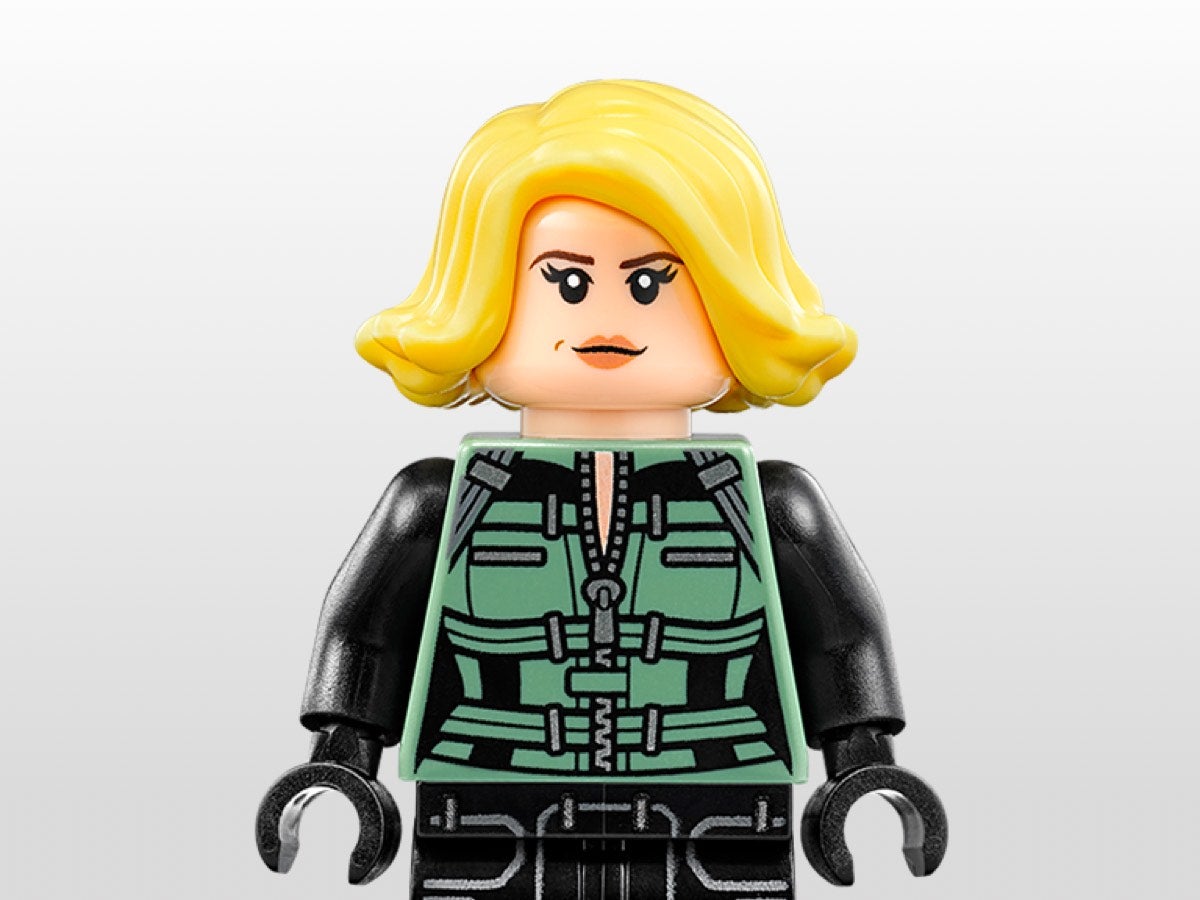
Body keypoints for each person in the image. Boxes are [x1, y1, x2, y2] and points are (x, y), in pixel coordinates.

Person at [257, 80, 947, 898]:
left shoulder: (769, 506)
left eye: (652, 284)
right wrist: (343, 759)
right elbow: (364, 633)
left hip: (721, 810)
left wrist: (861, 764)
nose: (608, 318)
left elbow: (841, 637)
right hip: (485, 808)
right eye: (567, 283)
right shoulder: (437, 504)